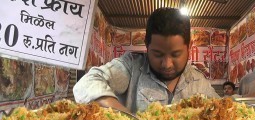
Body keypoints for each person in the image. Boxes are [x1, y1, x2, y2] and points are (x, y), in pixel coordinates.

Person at [73, 8, 220, 114]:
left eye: (175, 54)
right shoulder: (131, 67)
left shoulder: (198, 81)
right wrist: (123, 115)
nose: (166, 64)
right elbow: (86, 83)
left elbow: (221, 107)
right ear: (146, 44)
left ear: (190, 47)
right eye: (157, 54)